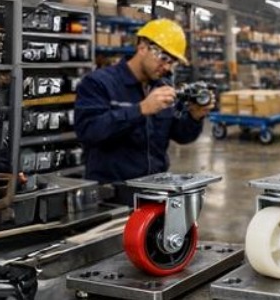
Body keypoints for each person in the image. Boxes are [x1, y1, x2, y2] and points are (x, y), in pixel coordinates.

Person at [73, 19, 212, 198]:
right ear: (142, 47)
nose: (167, 67)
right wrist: (140, 110)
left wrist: (194, 117)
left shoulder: (163, 86)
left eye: (173, 62)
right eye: (164, 58)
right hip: (112, 194)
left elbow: (181, 135)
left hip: (156, 191)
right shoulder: (99, 83)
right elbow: (88, 131)